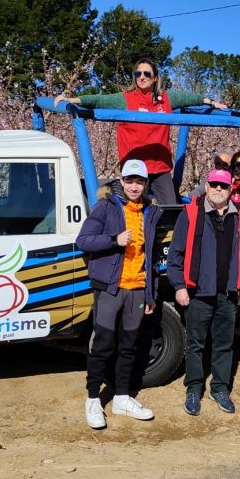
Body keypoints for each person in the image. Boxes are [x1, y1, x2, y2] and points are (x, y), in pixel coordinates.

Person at [55, 59, 227, 204]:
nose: (142, 77)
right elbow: (99, 100)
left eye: (147, 74)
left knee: (170, 207)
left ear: (155, 77)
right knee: (136, 210)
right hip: (135, 167)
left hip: (160, 166)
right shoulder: (125, 98)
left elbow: (188, 98)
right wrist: (71, 100)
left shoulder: (165, 99)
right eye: (138, 74)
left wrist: (211, 102)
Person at [75, 160, 163, 429]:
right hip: (110, 288)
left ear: (145, 184)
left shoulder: (151, 211)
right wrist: (114, 240)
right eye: (129, 181)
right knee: (103, 344)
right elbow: (83, 241)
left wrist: (151, 293)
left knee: (129, 346)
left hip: (137, 289)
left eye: (139, 182)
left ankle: (122, 398)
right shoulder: (106, 206)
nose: (134, 187)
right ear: (121, 181)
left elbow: (151, 257)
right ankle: (93, 399)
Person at [168, 169, 240, 415]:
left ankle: (219, 388)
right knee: (195, 344)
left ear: (231, 190)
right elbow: (175, 252)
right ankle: (194, 388)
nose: (219, 189)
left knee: (224, 345)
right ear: (206, 187)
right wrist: (179, 286)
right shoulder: (191, 213)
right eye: (215, 184)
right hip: (199, 293)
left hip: (229, 294)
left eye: (224, 185)